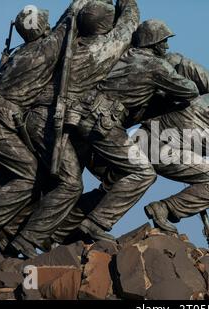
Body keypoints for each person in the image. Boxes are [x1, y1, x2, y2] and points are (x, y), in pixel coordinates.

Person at [9, 0, 144, 256]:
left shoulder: (61, 43)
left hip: (35, 117)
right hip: (47, 120)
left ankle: (21, 233)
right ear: (104, 28)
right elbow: (129, 24)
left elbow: (66, 18)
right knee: (70, 183)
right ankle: (28, 238)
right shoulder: (102, 49)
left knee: (48, 178)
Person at [52, 19, 200, 244]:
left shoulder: (124, 55)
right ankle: (96, 223)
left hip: (84, 118)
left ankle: (62, 229)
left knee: (115, 177)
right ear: (154, 42)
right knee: (143, 173)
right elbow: (189, 90)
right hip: (104, 125)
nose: (167, 48)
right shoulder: (155, 66)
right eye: (164, 42)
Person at [0, 0, 92, 255]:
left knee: (12, 173)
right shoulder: (46, 49)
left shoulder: (17, 54)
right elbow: (68, 22)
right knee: (29, 175)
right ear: (41, 27)